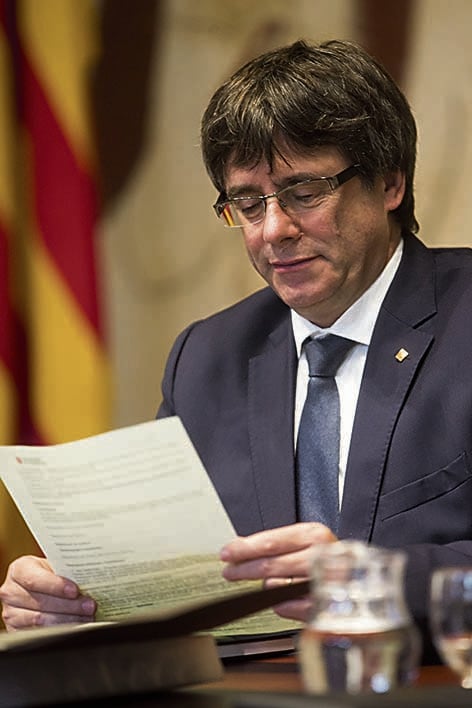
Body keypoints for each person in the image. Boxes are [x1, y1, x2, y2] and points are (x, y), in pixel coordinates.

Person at [1, 39, 471, 664]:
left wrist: (368, 575)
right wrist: (69, 601)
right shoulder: (207, 357)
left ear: (389, 183)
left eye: (305, 192)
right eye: (248, 203)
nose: (273, 229)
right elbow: (161, 577)